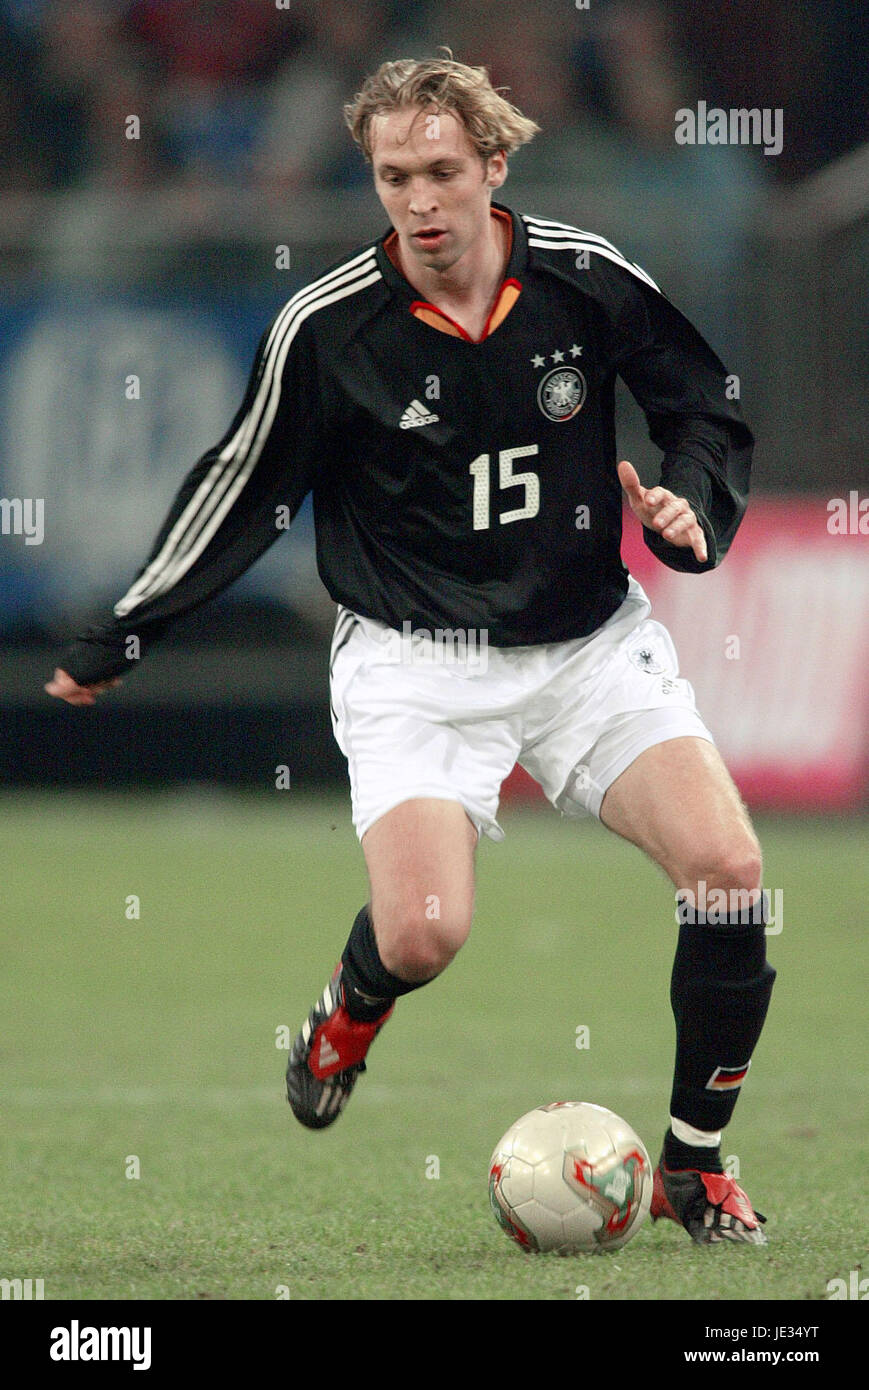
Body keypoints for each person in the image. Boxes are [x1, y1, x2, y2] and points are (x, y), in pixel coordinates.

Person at [47, 55, 775, 1246]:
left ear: (494, 165)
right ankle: (351, 1009)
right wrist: (122, 632)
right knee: (425, 931)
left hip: (586, 647)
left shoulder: (586, 282)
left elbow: (704, 402)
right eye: (394, 177)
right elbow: (241, 490)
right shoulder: (328, 327)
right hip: (413, 664)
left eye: (441, 171)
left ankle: (695, 1168)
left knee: (730, 873)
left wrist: (691, 501)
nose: (420, 201)